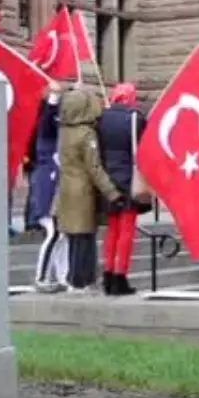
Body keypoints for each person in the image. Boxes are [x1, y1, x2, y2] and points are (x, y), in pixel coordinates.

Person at [57, 86, 124, 292]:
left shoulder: (65, 131)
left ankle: (75, 278)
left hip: (66, 189)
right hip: (83, 192)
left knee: (74, 237)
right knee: (85, 238)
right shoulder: (87, 135)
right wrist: (112, 192)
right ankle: (81, 279)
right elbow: (94, 168)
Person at [97, 82, 151, 295]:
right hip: (129, 179)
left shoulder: (102, 117)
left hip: (108, 180)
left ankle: (108, 274)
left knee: (112, 230)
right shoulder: (136, 118)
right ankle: (120, 276)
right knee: (126, 230)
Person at [27, 82, 68, 292]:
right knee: (53, 234)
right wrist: (54, 97)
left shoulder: (57, 139)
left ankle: (62, 277)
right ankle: (41, 277)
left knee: (61, 235)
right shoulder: (45, 136)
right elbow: (48, 121)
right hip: (47, 189)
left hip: (57, 191)